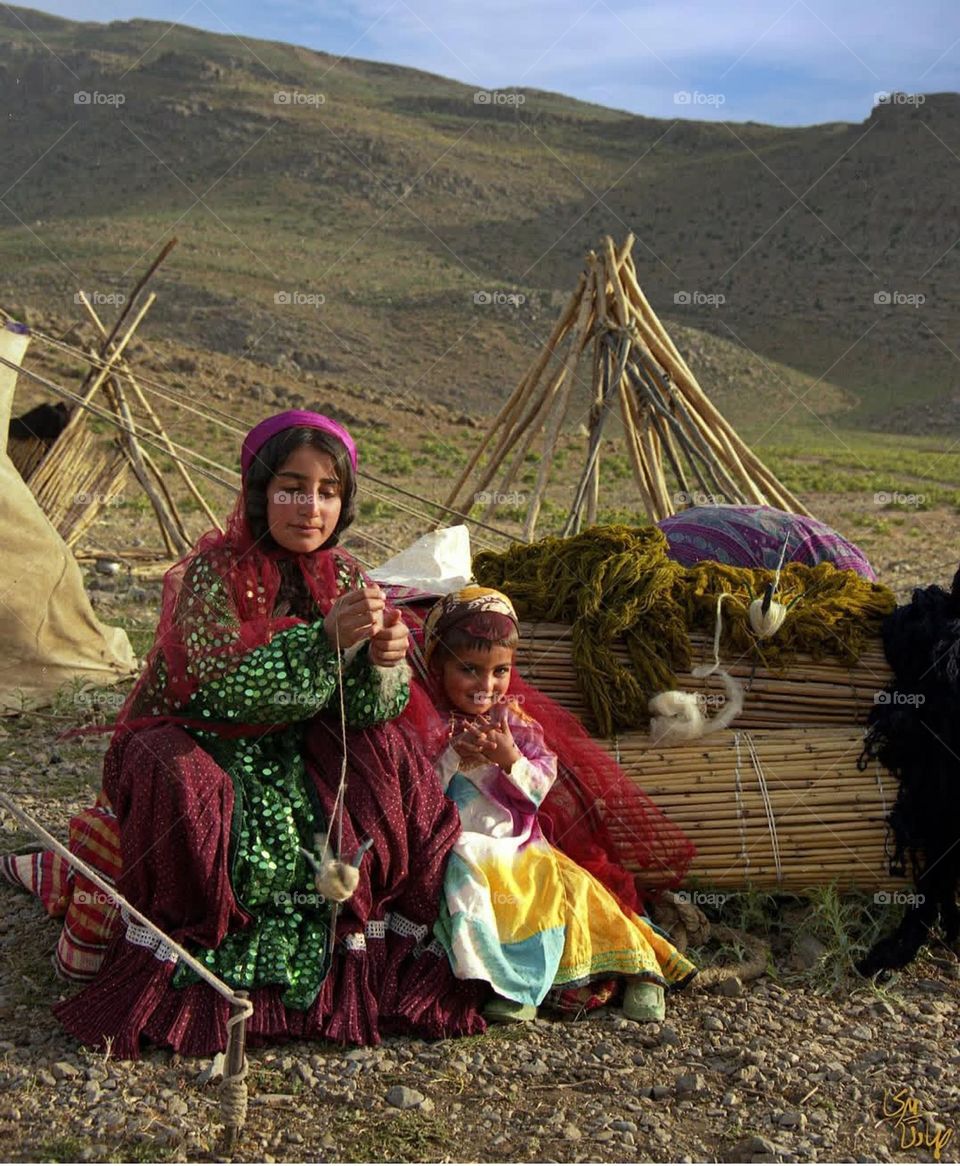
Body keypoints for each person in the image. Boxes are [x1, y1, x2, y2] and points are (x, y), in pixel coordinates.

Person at [41, 410, 485, 1055]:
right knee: (190, 791)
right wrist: (323, 641)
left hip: (307, 748)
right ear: (258, 491)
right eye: (292, 487)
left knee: (392, 764)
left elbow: (364, 712)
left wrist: (381, 662)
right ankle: (195, 970)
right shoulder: (210, 577)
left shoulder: (351, 578)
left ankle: (362, 967)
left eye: (328, 491)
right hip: (207, 740)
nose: (311, 506)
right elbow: (217, 689)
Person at [420, 586, 697, 1023]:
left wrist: (510, 759)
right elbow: (416, 792)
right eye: (469, 670)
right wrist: (454, 754)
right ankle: (508, 986)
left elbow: (540, 786)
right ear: (437, 663)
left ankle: (641, 968)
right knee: (470, 888)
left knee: (570, 887)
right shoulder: (427, 723)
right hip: (459, 840)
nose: (486, 686)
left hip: (519, 839)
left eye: (500, 671)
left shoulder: (515, 722)